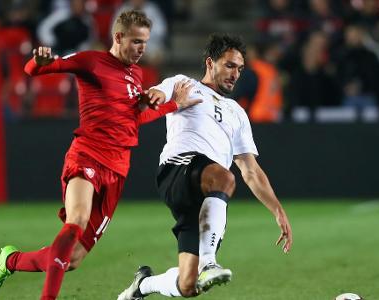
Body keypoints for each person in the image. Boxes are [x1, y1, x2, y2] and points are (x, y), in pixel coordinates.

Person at [0, 10, 199, 300]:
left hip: (118, 170)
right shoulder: (92, 61)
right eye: (136, 41)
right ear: (118, 37)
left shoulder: (135, 75)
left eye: (144, 42)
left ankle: (10, 260)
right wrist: (39, 62)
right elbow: (35, 70)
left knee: (71, 259)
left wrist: (174, 105)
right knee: (77, 221)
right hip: (88, 155)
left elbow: (133, 120)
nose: (141, 48)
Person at [117, 33, 293, 300]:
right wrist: (152, 95)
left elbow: (251, 170)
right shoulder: (184, 84)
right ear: (210, 63)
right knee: (225, 177)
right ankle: (209, 263)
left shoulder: (237, 113)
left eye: (240, 68)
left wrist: (278, 211)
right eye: (229, 65)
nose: (235, 74)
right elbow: (159, 93)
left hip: (205, 194)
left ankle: (142, 286)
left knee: (188, 286)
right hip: (178, 171)